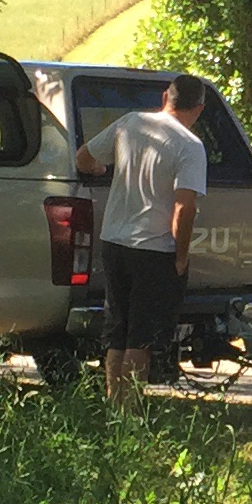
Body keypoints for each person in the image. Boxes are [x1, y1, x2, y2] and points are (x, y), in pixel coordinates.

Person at [76, 75, 211, 402]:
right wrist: (181, 255)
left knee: (117, 332)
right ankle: (131, 413)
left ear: (166, 96)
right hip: (154, 250)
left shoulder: (131, 123)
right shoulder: (189, 146)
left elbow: (84, 156)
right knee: (142, 338)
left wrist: (98, 171)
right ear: (200, 108)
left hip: (114, 243)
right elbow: (184, 207)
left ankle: (114, 406)